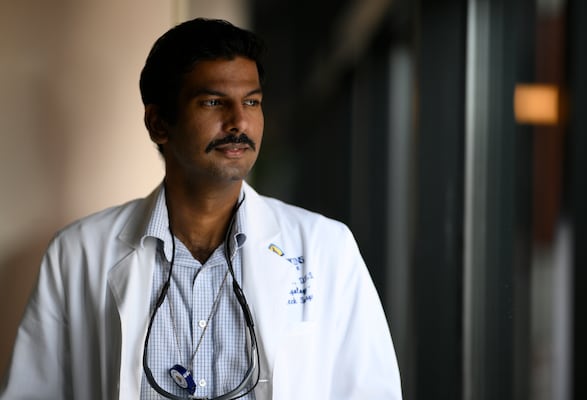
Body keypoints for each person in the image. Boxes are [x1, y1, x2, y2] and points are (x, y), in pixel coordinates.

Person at [0, 18, 402, 400]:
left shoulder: (326, 248)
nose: (239, 121)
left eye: (252, 101)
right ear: (159, 123)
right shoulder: (77, 254)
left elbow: (370, 390)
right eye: (213, 102)